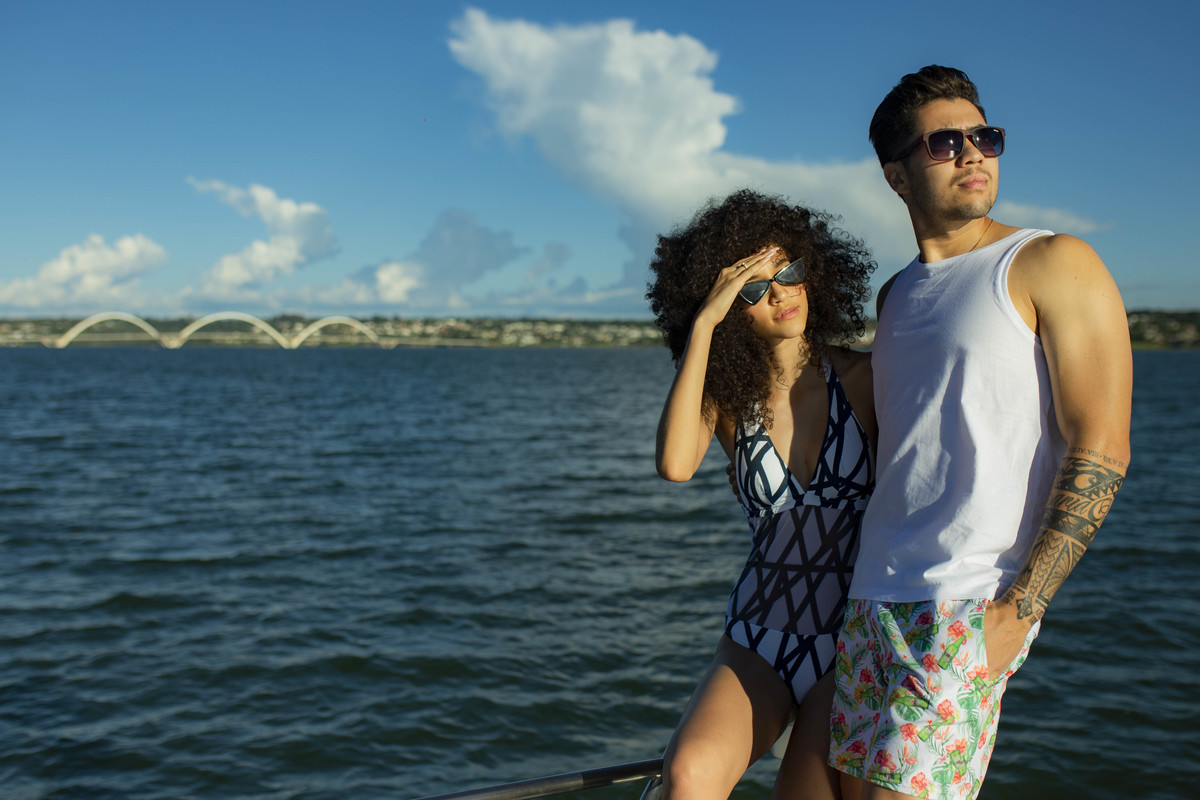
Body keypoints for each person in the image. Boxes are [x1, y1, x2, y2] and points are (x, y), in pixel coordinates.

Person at [827, 66, 1132, 800]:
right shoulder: (896, 294)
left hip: (968, 604)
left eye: (985, 136)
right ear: (897, 176)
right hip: (871, 598)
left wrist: (1018, 611)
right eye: (945, 142)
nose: (973, 153)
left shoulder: (1051, 262)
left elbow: (1101, 448)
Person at [646, 189, 877, 799]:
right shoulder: (727, 405)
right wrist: (703, 324)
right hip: (758, 632)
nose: (779, 294)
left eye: (789, 272)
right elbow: (674, 465)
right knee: (688, 774)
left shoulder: (867, 380)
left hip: (852, 636)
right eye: (752, 289)